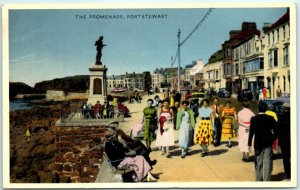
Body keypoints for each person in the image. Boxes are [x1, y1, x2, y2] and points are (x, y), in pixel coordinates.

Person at [248, 101, 277, 181]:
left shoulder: (254, 119)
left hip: (258, 143)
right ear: (266, 109)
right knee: (267, 162)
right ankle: (266, 180)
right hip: (268, 143)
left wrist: (249, 144)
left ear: (258, 109)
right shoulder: (270, 118)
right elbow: (277, 131)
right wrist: (272, 138)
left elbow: (251, 132)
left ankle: (258, 180)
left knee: (258, 162)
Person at [278, 103, 291, 179]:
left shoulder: (281, 117)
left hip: (284, 141)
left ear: (283, 108)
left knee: (286, 158)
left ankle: (288, 174)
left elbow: (279, 130)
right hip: (293, 140)